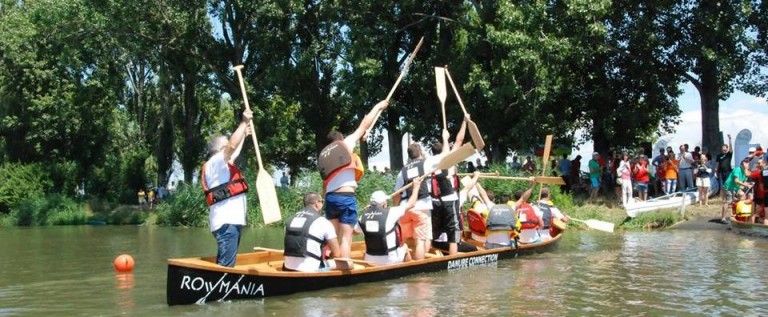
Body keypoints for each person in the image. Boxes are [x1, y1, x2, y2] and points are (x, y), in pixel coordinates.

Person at [318, 100, 389, 260]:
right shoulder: (344, 143)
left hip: (330, 199)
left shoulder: (324, 155)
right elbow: (364, 125)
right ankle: (344, 268)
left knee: (333, 236)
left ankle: (327, 261)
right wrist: (378, 106)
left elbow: (325, 183)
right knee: (346, 237)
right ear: (340, 139)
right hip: (345, 198)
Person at [200, 109, 252, 267]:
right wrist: (243, 122)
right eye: (226, 145)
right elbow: (232, 145)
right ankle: (221, 291)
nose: (230, 147)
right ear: (219, 149)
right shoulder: (216, 161)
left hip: (230, 222)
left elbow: (234, 149)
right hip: (227, 223)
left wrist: (244, 133)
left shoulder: (221, 164)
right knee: (226, 266)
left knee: (227, 263)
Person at [394, 142, 444, 260]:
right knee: (421, 240)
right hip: (422, 207)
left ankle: (404, 261)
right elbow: (443, 156)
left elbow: (396, 194)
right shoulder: (425, 163)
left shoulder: (402, 171)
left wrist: (396, 209)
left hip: (405, 208)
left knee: (403, 240)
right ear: (420, 152)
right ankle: (420, 268)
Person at [357, 178, 422, 265]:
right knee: (405, 247)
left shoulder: (362, 217)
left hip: (370, 260)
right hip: (390, 260)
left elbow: (354, 231)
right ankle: (408, 270)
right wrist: (416, 188)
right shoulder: (391, 212)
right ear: (384, 203)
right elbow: (411, 204)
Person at [429, 120, 467, 255]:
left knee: (434, 229)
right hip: (449, 199)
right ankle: (453, 256)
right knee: (453, 230)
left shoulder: (428, 162)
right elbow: (459, 141)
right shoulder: (449, 159)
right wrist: (464, 122)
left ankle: (432, 252)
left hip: (434, 201)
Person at [283, 193, 341, 272]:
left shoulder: (289, 220)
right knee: (347, 264)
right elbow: (337, 254)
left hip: (287, 267)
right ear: (317, 203)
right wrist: (329, 256)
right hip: (311, 269)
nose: (323, 204)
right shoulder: (323, 221)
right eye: (322, 201)